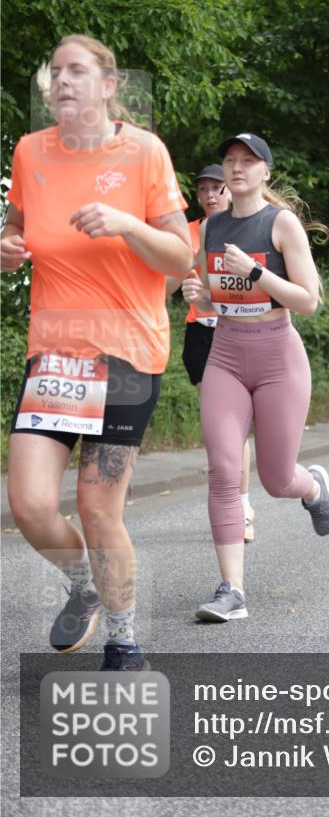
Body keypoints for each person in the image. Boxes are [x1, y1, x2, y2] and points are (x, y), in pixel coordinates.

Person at [1, 34, 191, 670]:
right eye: (54, 72)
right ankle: (82, 585)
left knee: (96, 505)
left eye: (76, 71)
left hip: (128, 354)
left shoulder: (143, 153)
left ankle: (124, 639)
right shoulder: (31, 152)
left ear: (109, 86)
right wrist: (5, 247)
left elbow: (180, 256)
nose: (61, 81)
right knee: (28, 504)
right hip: (57, 355)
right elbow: (17, 229)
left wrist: (127, 223)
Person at [182, 132, 329, 622]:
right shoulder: (212, 227)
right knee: (225, 472)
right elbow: (216, 296)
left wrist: (254, 272)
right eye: (230, 160)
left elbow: (309, 302)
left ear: (265, 172)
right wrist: (198, 292)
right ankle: (231, 590)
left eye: (248, 161)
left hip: (278, 356)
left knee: (274, 478)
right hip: (225, 353)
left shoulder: (281, 223)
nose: (236, 167)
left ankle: (311, 486)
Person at [166, 164, 255, 542]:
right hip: (200, 336)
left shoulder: (249, 228)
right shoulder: (187, 232)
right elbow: (169, 278)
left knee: (236, 426)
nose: (210, 196)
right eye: (203, 190)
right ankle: (231, 503)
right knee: (221, 427)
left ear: (231, 191)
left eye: (217, 188)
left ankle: (243, 506)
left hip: (241, 332)